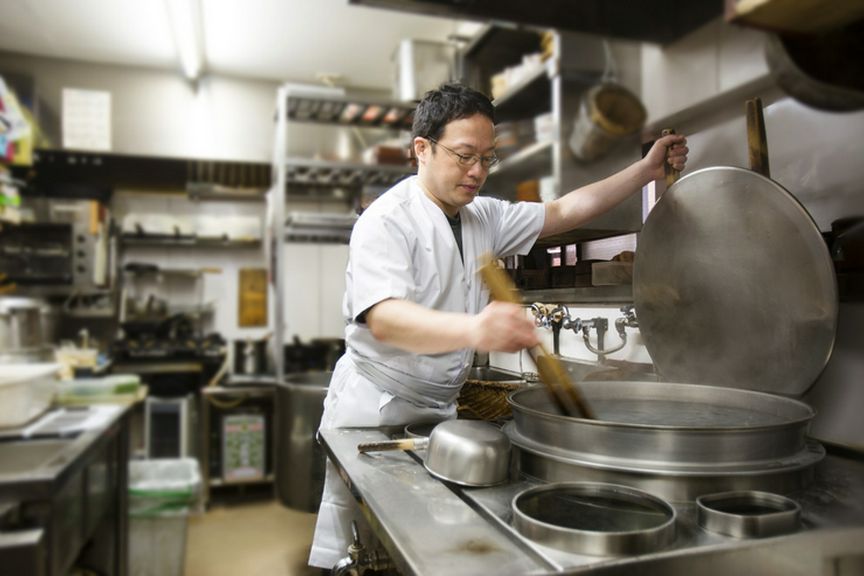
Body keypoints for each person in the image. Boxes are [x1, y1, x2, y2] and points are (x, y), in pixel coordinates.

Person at [308, 82, 688, 569]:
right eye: (465, 155)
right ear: (421, 149)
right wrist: (475, 331)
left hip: (436, 411)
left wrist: (646, 170)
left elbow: (565, 211)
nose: (477, 172)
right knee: (360, 541)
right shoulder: (386, 221)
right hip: (373, 409)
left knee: (421, 542)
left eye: (488, 159)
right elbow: (384, 319)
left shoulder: (482, 215)